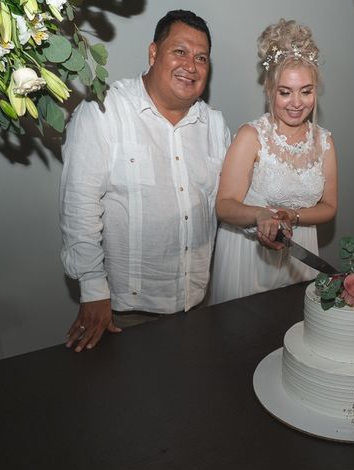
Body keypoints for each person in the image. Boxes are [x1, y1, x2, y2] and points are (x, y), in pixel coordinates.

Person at [60, 10, 230, 352]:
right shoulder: (104, 111)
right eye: (179, 52)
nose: (191, 66)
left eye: (201, 58)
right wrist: (93, 290)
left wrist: (264, 224)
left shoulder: (214, 126)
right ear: (153, 53)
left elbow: (229, 202)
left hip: (196, 305)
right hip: (124, 316)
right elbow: (79, 205)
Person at [208, 19, 337, 305]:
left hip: (301, 254)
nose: (296, 102)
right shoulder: (251, 136)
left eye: (306, 91)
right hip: (248, 257)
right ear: (270, 90)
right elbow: (224, 204)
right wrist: (259, 215)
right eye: (285, 91)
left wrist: (294, 216)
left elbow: (329, 207)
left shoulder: (325, 142)